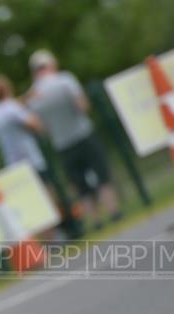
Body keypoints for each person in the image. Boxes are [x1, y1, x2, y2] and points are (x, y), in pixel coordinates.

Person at [26, 49, 122, 231]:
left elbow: (39, 126)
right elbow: (82, 106)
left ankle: (95, 220)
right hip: (83, 134)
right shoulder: (65, 80)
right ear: (51, 64)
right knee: (102, 172)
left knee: (79, 184)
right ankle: (113, 211)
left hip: (62, 144)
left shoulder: (33, 95)